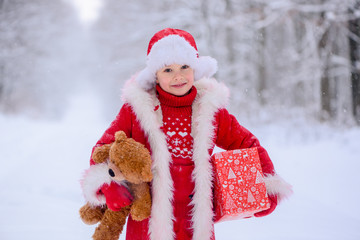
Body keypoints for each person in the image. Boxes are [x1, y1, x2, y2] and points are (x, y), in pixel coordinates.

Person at [83, 28, 292, 240]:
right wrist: (109, 185)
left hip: (196, 220)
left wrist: (265, 184)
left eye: (184, 67)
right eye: (168, 70)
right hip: (148, 221)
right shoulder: (137, 110)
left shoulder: (209, 109)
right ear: (155, 75)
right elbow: (103, 149)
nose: (178, 76)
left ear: (195, 68)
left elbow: (247, 143)